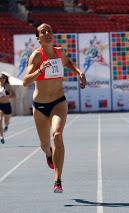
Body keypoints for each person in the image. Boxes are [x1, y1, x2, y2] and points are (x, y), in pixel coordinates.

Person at [23, 23, 86, 193]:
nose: (47, 33)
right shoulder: (36, 56)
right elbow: (25, 81)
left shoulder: (60, 52)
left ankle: (58, 180)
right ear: (38, 38)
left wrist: (79, 72)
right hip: (40, 106)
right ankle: (48, 153)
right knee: (44, 144)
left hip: (58, 102)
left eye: (50, 30)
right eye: (43, 32)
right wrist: (39, 70)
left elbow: (69, 63)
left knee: (57, 134)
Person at [0, 73, 16, 143]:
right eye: (0, 78)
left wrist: (7, 97)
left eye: (3, 78)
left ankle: (6, 125)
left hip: (6, 105)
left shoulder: (8, 86)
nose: (2, 79)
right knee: (0, 119)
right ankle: (1, 136)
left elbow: (14, 96)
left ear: (5, 79)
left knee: (7, 121)